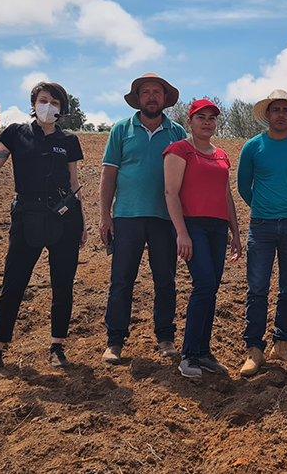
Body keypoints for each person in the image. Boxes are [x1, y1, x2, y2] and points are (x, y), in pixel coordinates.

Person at [0, 82, 87, 375]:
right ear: (33, 104)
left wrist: (83, 222)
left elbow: (74, 185)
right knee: (13, 284)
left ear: (63, 109)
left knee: (62, 285)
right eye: (43, 100)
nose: (49, 106)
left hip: (65, 218)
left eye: (55, 102)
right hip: (27, 215)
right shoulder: (15, 133)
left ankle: (57, 347)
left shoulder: (70, 140)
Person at [99, 73, 186, 365]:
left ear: (164, 99)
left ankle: (165, 338)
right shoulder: (121, 130)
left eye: (157, 92)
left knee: (166, 280)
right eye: (146, 92)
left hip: (165, 218)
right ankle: (115, 341)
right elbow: (108, 174)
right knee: (121, 280)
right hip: (126, 216)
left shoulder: (177, 133)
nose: (152, 96)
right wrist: (104, 216)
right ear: (138, 99)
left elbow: (187, 179)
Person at [237, 90, 287, 377]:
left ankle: (281, 344)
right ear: (268, 115)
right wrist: (265, 206)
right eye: (276, 110)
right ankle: (254, 350)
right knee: (257, 288)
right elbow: (243, 186)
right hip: (261, 225)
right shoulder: (252, 147)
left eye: (286, 110)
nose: (281, 114)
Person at [164, 99, 242, 380]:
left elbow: (227, 195)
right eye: (201, 117)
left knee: (212, 287)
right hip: (192, 225)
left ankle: (204, 352)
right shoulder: (179, 150)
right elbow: (171, 193)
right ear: (190, 122)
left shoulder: (221, 155)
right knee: (204, 283)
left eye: (212, 118)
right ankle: (188, 355)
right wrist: (181, 232)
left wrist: (235, 232)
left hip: (218, 227)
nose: (207, 122)